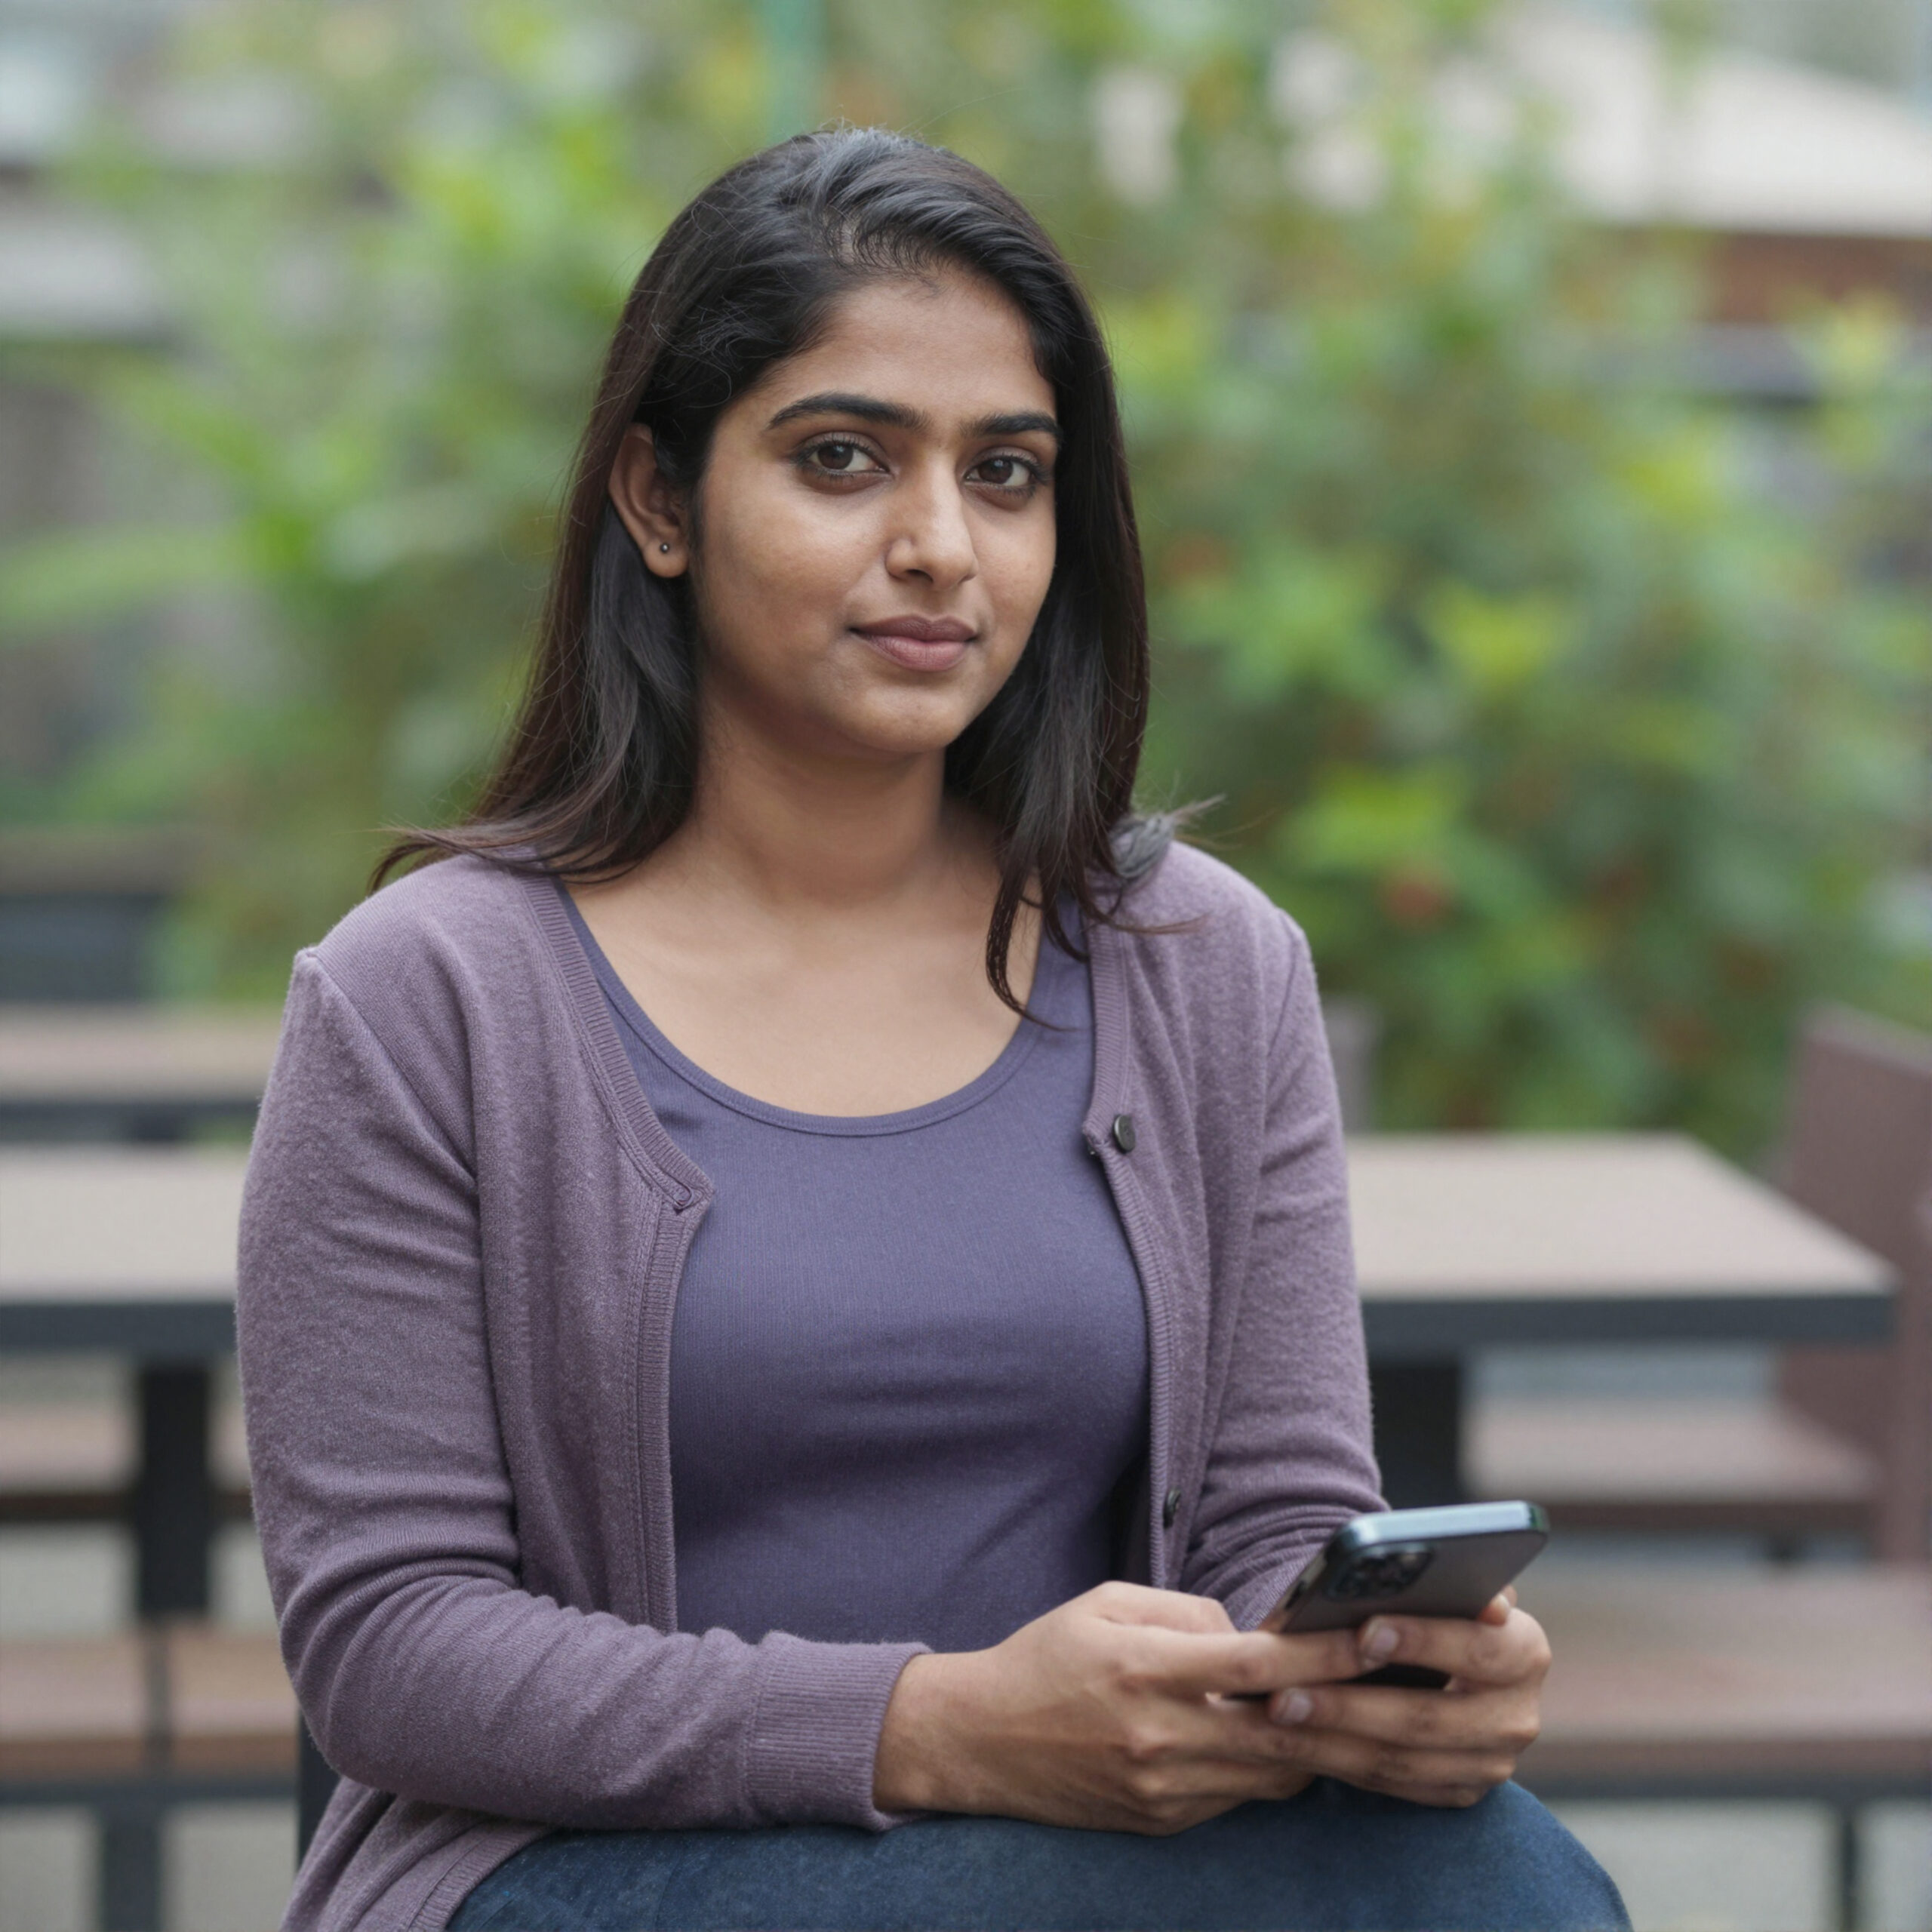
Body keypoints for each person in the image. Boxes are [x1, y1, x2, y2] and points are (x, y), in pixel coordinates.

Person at [238, 128, 1629, 1932]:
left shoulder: (1202, 967)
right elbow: (391, 1645)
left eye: (1006, 472)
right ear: (657, 499)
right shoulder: (427, 996)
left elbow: (1274, 1523)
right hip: (583, 1869)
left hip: (1100, 1867)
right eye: (841, 458)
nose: (938, 547)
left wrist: (1374, 1674)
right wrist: (934, 1724)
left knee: (1482, 1863)